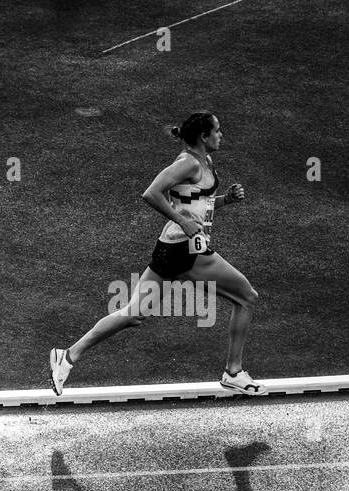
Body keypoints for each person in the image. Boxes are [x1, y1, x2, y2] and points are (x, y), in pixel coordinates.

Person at [49, 112, 263, 396]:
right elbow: (151, 193)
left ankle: (67, 356)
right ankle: (233, 372)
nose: (221, 135)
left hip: (169, 249)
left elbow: (196, 202)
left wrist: (226, 200)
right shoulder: (187, 162)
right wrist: (183, 221)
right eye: (218, 130)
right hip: (186, 251)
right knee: (246, 297)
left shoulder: (204, 161)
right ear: (203, 136)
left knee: (133, 314)